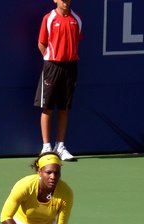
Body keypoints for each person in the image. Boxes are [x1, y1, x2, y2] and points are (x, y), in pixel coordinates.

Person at [34, 0, 83, 161]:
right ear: (55, 0)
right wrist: (50, 58)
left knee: (64, 108)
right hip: (52, 67)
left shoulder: (77, 19)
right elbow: (41, 43)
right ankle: (46, 147)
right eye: (63, 0)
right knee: (47, 107)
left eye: (68, 0)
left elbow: (77, 41)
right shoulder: (48, 18)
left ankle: (60, 146)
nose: (66, 2)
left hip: (70, 67)